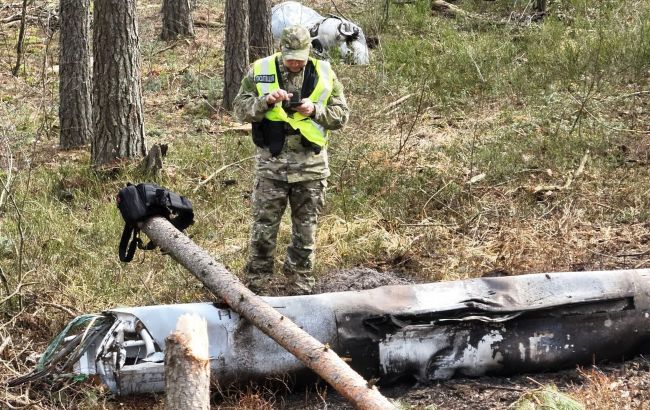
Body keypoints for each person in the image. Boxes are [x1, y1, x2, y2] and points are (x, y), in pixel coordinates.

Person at [233, 25, 349, 294]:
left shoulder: (324, 72)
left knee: (305, 231)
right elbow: (239, 109)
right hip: (271, 166)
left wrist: (315, 110)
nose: (295, 63)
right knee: (263, 229)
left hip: (311, 166)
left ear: (309, 51)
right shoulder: (260, 70)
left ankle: (299, 283)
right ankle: (257, 284)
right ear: (281, 50)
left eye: (300, 58)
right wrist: (265, 102)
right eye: (290, 58)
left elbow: (342, 115)